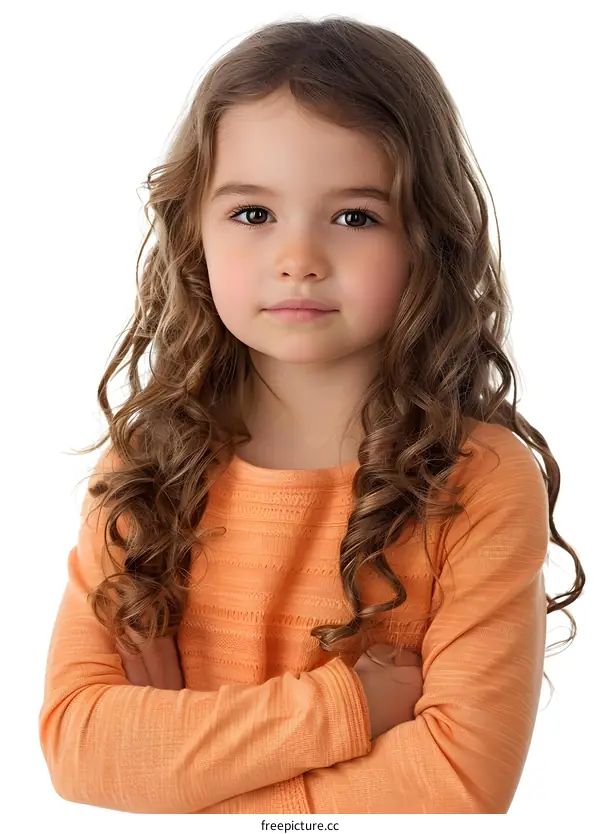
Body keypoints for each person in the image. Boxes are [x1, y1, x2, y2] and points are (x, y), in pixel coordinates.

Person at [38, 14, 585, 815]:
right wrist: (352, 707)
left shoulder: (479, 482)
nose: (298, 257)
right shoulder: (145, 467)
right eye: (253, 214)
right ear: (194, 230)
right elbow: (80, 748)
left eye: (355, 216)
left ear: (425, 237)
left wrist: (179, 778)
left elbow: (457, 787)